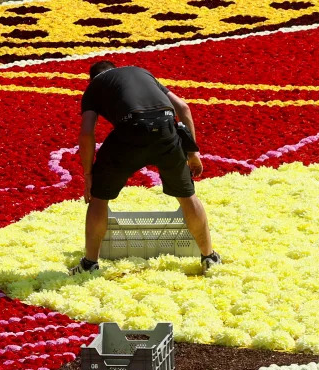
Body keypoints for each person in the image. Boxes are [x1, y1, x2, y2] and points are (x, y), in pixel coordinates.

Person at [70, 60, 221, 275]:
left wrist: (88, 175)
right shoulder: (142, 72)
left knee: (99, 199)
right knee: (187, 196)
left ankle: (89, 264)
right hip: (167, 131)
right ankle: (209, 257)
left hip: (129, 131)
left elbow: (87, 133)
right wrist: (193, 152)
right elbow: (184, 107)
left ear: (93, 78)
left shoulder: (95, 86)